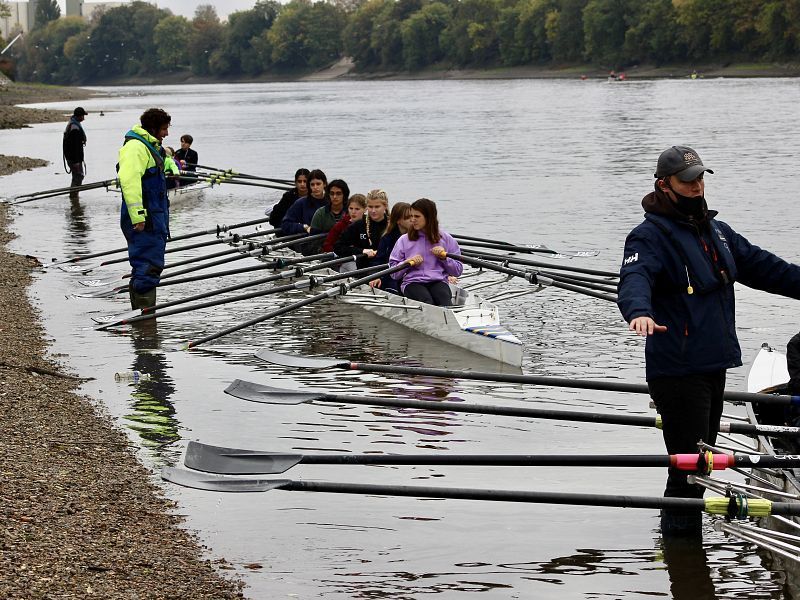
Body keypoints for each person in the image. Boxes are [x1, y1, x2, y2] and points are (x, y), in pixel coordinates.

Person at [617, 145, 800, 537]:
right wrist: (639, 312)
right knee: (688, 467)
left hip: (713, 362)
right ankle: (680, 547)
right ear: (664, 185)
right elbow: (635, 280)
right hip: (678, 368)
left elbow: (769, 269)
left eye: (700, 178)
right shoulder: (648, 236)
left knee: (701, 460)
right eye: (687, 181)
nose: (697, 186)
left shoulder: (718, 232)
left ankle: (687, 577)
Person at [118, 107, 180, 310]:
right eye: (163, 129)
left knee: (148, 267)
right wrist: (138, 217)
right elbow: (129, 181)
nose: (167, 134)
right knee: (148, 268)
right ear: (153, 128)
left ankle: (142, 322)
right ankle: (145, 323)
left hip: (154, 219)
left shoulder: (150, 146)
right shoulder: (136, 148)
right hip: (145, 220)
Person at [389, 198, 463, 305]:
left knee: (444, 300)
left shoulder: (446, 239)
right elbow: (393, 274)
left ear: (429, 218)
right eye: (411, 216)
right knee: (426, 301)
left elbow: (458, 271)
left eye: (417, 216)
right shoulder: (404, 240)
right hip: (412, 283)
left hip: (437, 281)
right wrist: (407, 263)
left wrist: (444, 259)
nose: (412, 220)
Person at [334, 188, 389, 270]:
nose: (373, 211)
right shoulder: (358, 225)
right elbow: (338, 247)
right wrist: (361, 251)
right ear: (366, 207)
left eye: (377, 207)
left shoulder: (393, 225)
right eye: (370, 207)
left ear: (385, 206)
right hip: (364, 270)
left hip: (387, 269)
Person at [369, 201, 411, 292]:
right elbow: (379, 260)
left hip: (411, 274)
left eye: (413, 216)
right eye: (408, 218)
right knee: (391, 285)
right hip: (391, 273)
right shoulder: (387, 238)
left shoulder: (418, 237)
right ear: (398, 220)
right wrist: (377, 276)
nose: (412, 220)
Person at [281, 169, 328, 236]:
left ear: (324, 184)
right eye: (312, 184)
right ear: (309, 186)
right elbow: (285, 225)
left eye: (318, 184)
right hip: (308, 241)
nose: (315, 187)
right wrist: (304, 227)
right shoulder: (301, 203)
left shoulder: (331, 201)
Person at [63, 106, 87, 197]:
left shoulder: (73, 124)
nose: (84, 118)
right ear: (78, 116)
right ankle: (73, 197)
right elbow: (75, 147)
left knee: (76, 176)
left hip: (71, 157)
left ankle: (74, 198)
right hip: (74, 158)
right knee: (78, 176)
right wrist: (76, 162)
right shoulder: (75, 128)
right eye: (82, 116)